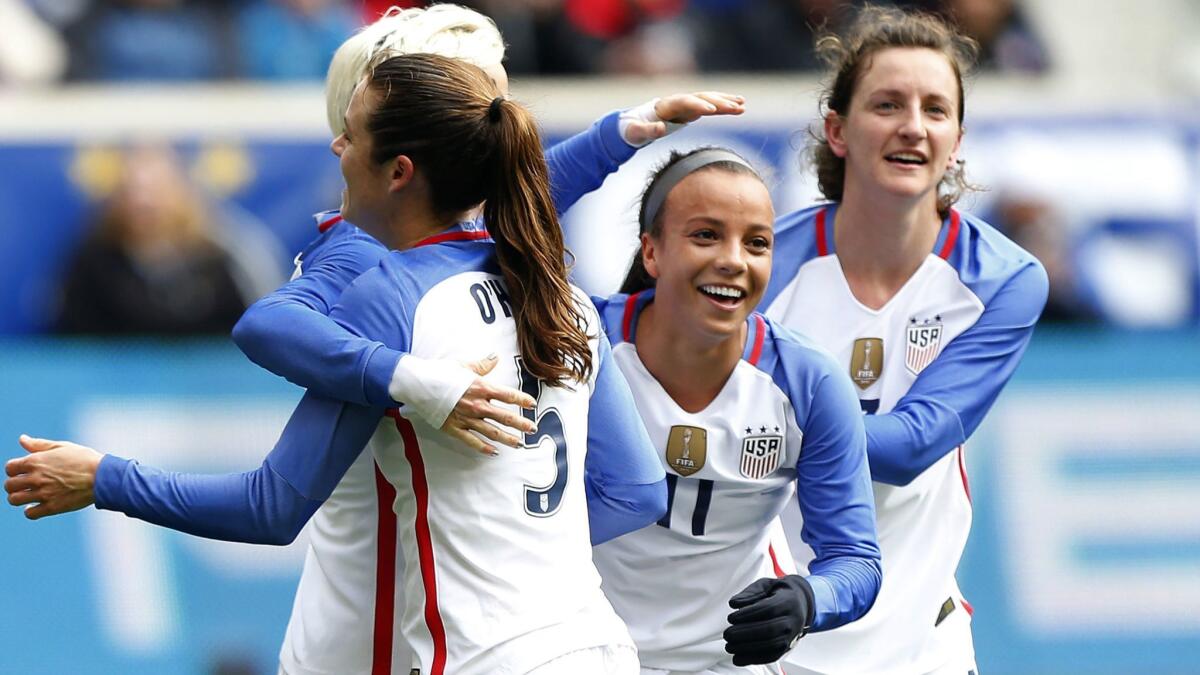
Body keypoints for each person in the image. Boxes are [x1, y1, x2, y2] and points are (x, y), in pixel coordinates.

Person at [6, 53, 666, 675]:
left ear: (399, 170)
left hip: (484, 657)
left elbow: (270, 506)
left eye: (349, 135)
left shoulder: (388, 298)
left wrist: (104, 478)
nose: (336, 149)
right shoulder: (560, 289)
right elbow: (635, 492)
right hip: (600, 646)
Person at [759, 7, 1049, 674]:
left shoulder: (1002, 280)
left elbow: (913, 444)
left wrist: (760, 429)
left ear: (956, 139)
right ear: (837, 130)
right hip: (770, 639)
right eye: (887, 104)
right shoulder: (763, 263)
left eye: (934, 109)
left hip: (924, 648)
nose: (912, 126)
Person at [590, 147, 882, 673]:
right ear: (651, 252)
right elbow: (496, 237)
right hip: (581, 656)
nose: (733, 259)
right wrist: (610, 137)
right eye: (705, 235)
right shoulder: (580, 339)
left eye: (757, 243)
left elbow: (856, 563)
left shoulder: (808, 382)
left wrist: (807, 599)